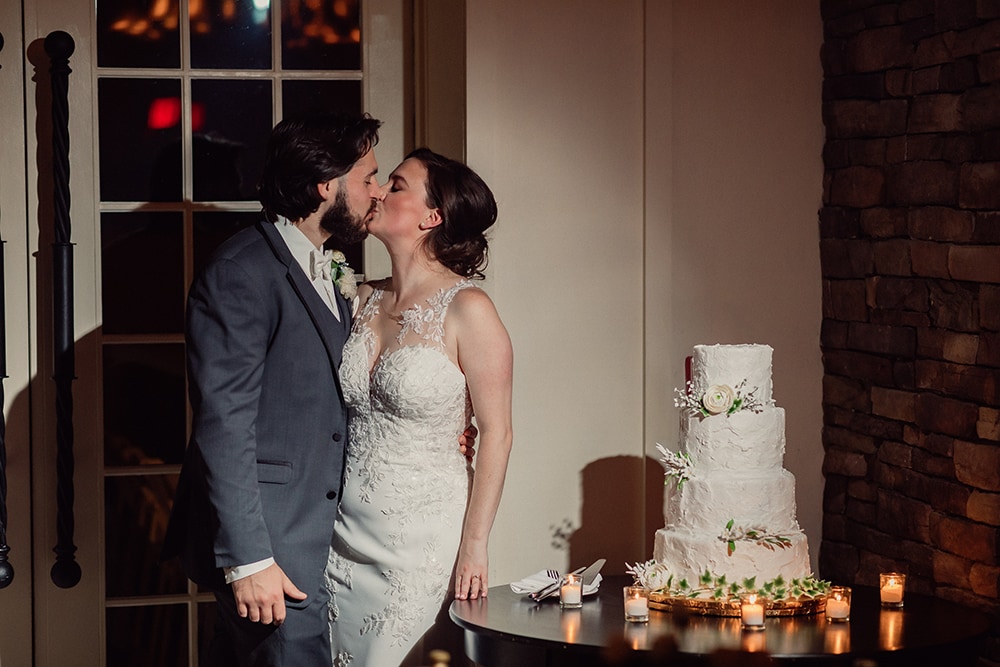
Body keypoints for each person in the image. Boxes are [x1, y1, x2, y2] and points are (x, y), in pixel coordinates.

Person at [163, 114, 474, 666]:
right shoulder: (243, 270)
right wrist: (248, 559)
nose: (376, 192)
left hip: (336, 541)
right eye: (369, 178)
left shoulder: (328, 270)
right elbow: (223, 422)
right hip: (272, 549)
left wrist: (443, 427)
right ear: (325, 186)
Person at [326, 148, 513, 666]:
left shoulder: (468, 310)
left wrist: (474, 544)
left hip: (417, 542)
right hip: (341, 537)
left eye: (397, 184)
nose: (380, 191)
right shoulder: (359, 298)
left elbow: (496, 433)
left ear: (433, 217)